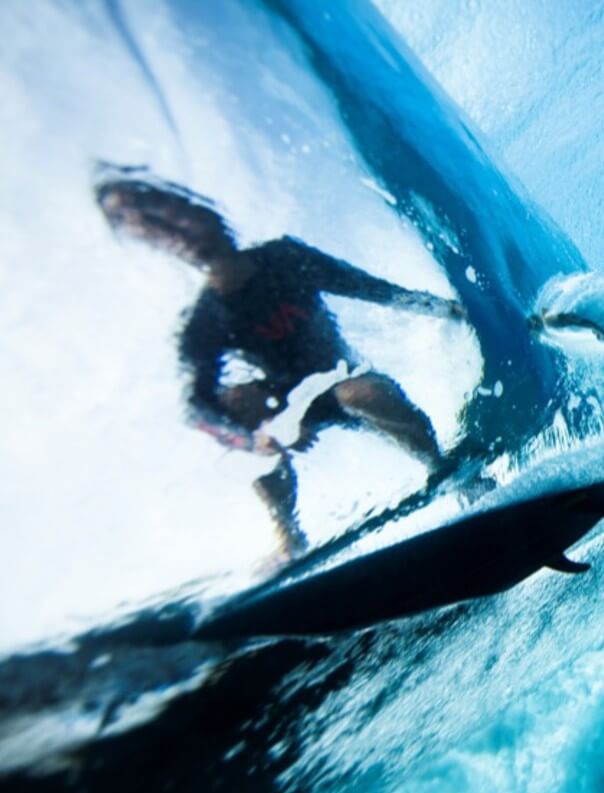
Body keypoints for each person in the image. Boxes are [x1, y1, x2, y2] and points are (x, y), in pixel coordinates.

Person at [96, 171, 469, 560]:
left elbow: (366, 287)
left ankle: (445, 469)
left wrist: (448, 309)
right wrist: (253, 437)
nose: (181, 232)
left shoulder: (285, 258)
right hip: (281, 406)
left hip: (341, 380)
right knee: (241, 414)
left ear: (207, 213)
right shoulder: (204, 323)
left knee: (366, 392)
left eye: (178, 215)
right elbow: (195, 407)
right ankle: (287, 536)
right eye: (160, 228)